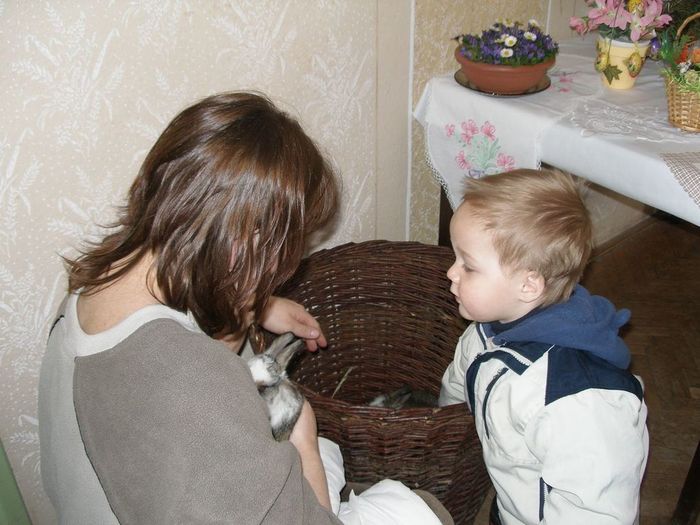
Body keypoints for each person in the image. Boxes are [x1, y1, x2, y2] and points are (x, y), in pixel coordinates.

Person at [38, 91, 342, 524]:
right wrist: (304, 441)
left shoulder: (97, 282)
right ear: (243, 245)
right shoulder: (193, 385)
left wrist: (254, 306)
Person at [439, 169, 649, 525]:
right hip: (513, 502)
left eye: (468, 266)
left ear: (528, 285)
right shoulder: (486, 329)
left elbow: (594, 512)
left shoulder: (578, 403)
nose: (451, 273)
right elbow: (456, 387)